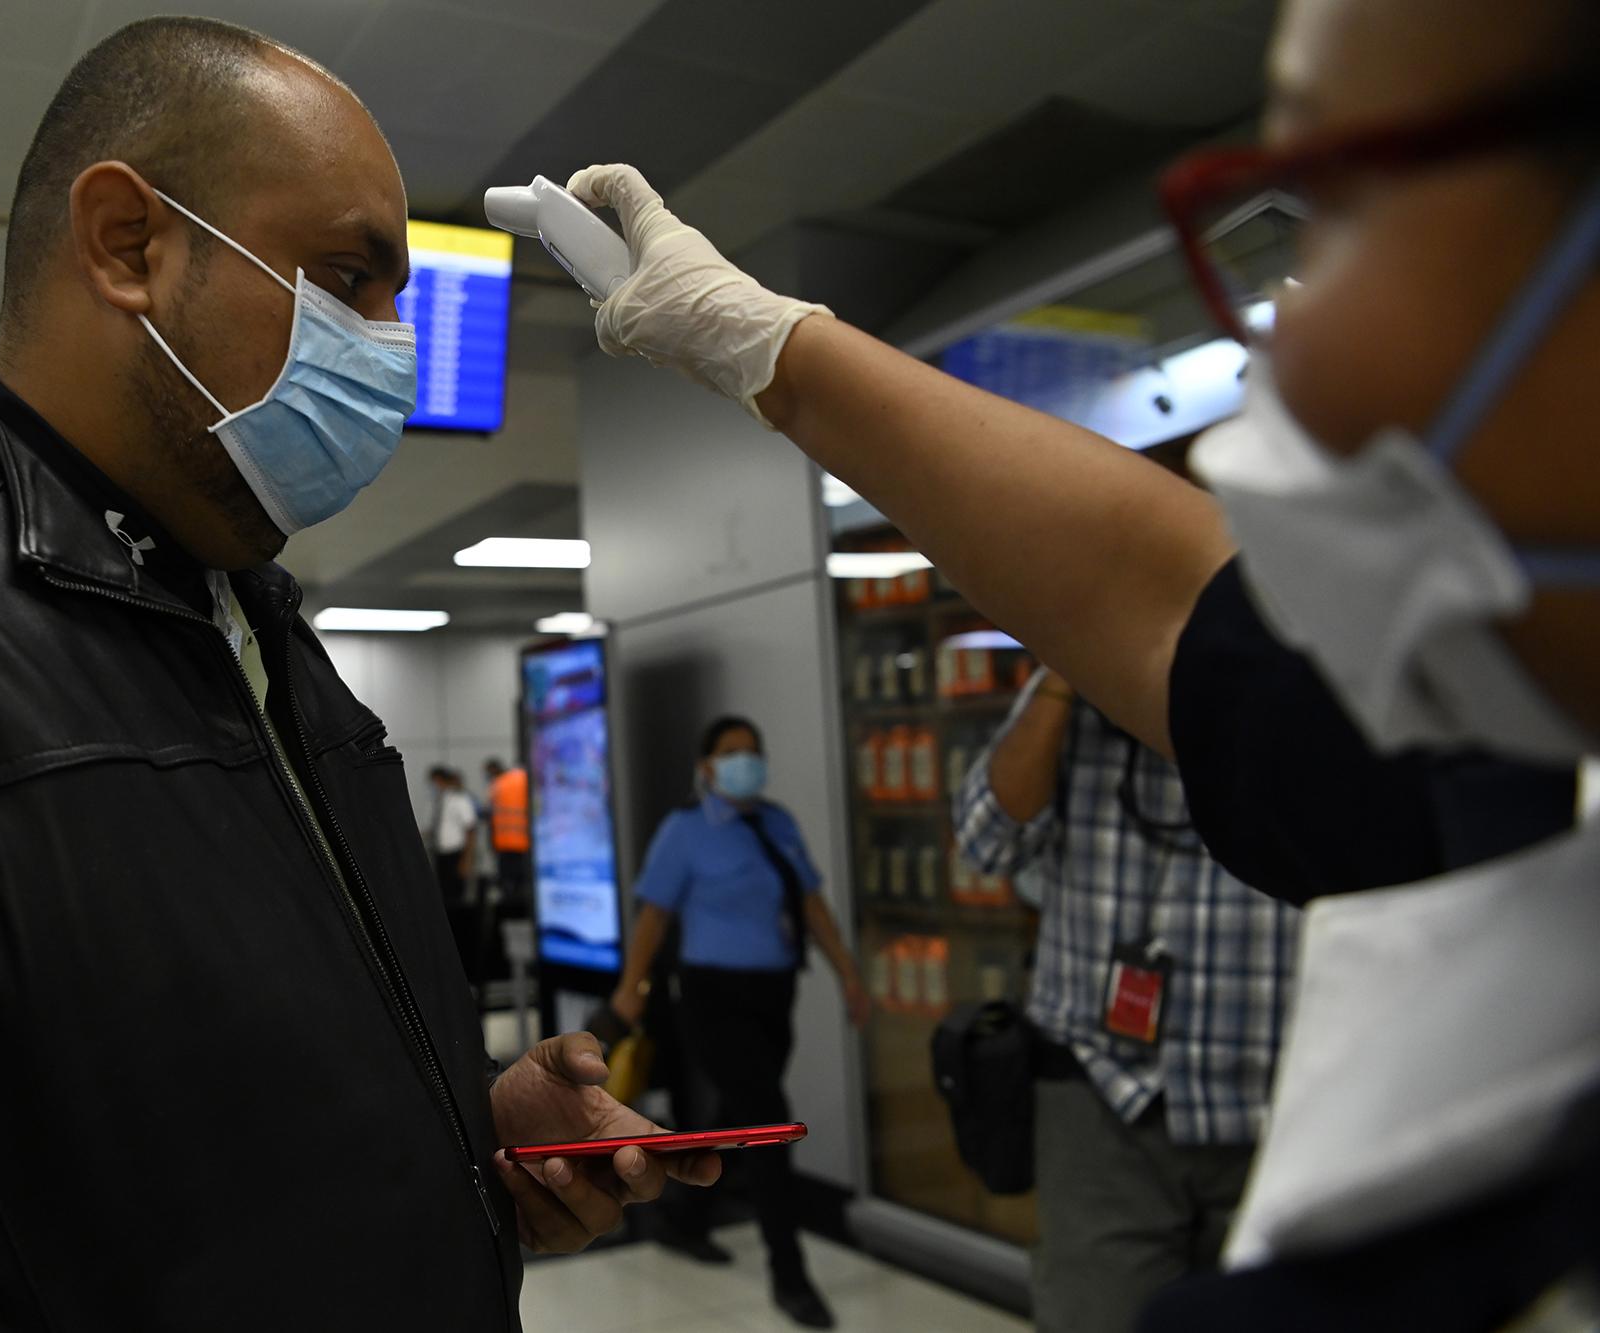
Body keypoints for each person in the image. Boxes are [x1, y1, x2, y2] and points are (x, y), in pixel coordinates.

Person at [0, 19, 717, 1330]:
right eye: (351, 276)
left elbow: (170, 1107)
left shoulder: (266, 639)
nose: (391, 347)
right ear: (131, 244)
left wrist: (458, 1130)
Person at [561, 0, 1597, 1321]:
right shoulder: (1495, 771)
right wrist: (762, 343)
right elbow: (1167, 606)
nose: (1302, 342)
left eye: (1359, 208)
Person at [956, 667, 1300, 1333]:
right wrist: (1068, 660)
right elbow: (986, 841)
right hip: (1104, 1093)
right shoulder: (1078, 674)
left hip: (1280, 1095)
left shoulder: (1309, 673)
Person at [610, 716, 870, 1330]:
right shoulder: (686, 830)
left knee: (732, 1112)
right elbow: (652, 917)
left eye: (754, 752)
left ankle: (685, 1219)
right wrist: (629, 991)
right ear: (706, 767)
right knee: (770, 1120)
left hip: (774, 994)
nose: (745, 762)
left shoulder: (776, 823)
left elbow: (810, 903)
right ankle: (791, 1273)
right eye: (731, 753)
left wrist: (848, 974)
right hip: (711, 997)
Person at [428, 765, 481, 905]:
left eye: (434, 782)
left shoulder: (460, 800)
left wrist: (466, 860)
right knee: (443, 896)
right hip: (441, 854)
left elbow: (471, 830)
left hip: (456, 855)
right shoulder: (440, 800)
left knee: (456, 898)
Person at [486, 758, 534, 907]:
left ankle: (508, 911)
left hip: (504, 842)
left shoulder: (498, 783)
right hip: (525, 843)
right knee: (524, 885)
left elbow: (491, 814)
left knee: (508, 885)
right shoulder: (529, 781)